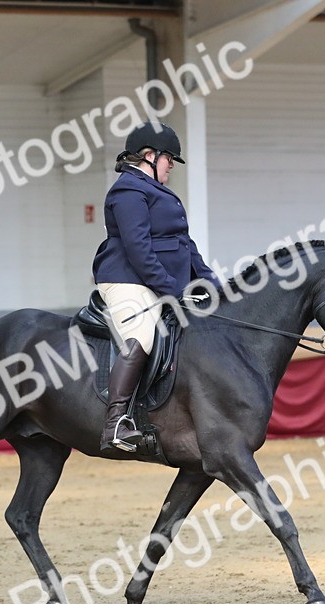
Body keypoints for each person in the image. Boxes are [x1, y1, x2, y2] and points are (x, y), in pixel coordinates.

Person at [91, 121, 220, 453]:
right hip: (126, 279)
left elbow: (185, 245)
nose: (172, 167)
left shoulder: (159, 193)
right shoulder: (128, 191)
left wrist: (212, 283)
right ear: (149, 155)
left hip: (159, 282)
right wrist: (171, 290)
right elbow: (138, 249)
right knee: (143, 335)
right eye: (169, 160)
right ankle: (116, 423)